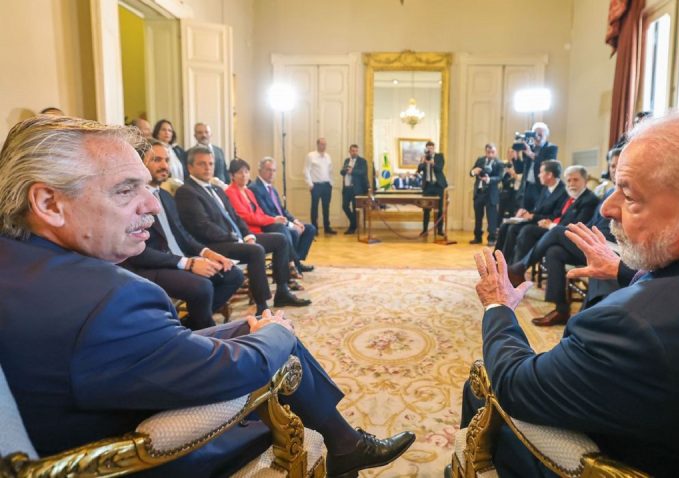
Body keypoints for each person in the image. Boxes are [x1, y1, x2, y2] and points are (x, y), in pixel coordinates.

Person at [0, 115, 415, 478]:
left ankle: (344, 442)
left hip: (107, 391)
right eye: (125, 190)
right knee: (275, 343)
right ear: (49, 202)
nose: (151, 205)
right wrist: (277, 332)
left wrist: (252, 331)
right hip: (148, 455)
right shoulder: (110, 301)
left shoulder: (20, 262)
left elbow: (140, 351)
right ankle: (344, 444)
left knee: (251, 328)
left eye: (146, 187)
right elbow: (233, 373)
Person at [461, 104, 679, 477]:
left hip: (612, 459)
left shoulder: (630, 326)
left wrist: (499, 306)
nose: (607, 208)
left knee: (479, 387)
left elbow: (514, 385)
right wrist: (622, 270)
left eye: (630, 197)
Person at [123, 139, 244, 331]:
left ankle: (187, 326)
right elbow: (139, 252)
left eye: (166, 160)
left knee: (233, 275)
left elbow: (183, 235)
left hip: (178, 259)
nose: (164, 165)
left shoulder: (166, 196)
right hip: (150, 266)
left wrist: (208, 253)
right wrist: (188, 263)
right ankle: (207, 335)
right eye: (156, 160)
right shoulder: (131, 199)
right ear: (139, 163)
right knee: (202, 287)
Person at [175, 146, 310, 309]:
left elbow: (235, 217)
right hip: (213, 245)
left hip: (233, 238)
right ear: (190, 167)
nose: (208, 168)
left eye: (210, 164)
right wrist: (234, 237)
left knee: (280, 240)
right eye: (201, 164)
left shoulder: (217, 189)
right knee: (256, 251)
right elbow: (202, 227)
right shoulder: (186, 191)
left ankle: (282, 292)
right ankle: (262, 307)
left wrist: (248, 236)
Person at [510, 150, 621, 327]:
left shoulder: (624, 194)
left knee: (556, 232)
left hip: (609, 248)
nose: (614, 169)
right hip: (593, 242)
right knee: (554, 251)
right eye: (612, 165)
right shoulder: (609, 193)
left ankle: (520, 267)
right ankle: (561, 309)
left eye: (618, 164)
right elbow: (593, 223)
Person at [225, 158, 309, 287]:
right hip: (247, 234)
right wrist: (272, 220)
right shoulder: (230, 192)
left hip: (259, 228)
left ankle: (288, 273)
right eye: (240, 172)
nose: (244, 175)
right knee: (281, 237)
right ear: (232, 175)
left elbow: (259, 212)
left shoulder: (248, 192)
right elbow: (245, 217)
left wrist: (274, 220)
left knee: (283, 232)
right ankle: (289, 272)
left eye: (246, 172)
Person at [510, 165, 599, 264]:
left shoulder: (590, 200)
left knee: (528, 230)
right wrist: (548, 222)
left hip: (568, 235)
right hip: (557, 228)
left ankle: (519, 266)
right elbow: (559, 215)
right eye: (568, 180)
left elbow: (577, 225)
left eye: (575, 180)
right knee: (520, 228)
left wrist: (551, 225)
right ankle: (512, 264)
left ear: (585, 181)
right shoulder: (571, 197)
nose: (571, 184)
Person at [250, 157, 316, 273]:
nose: (272, 173)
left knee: (309, 228)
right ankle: (293, 264)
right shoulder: (255, 188)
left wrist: (294, 220)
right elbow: (266, 212)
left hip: (281, 222)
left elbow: (282, 210)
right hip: (270, 224)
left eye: (274, 170)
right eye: (268, 170)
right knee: (293, 232)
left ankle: (296, 261)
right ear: (260, 170)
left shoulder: (272, 188)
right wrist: (290, 225)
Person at [494, 160, 567, 261]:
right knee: (505, 226)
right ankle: (496, 259)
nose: (538, 175)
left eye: (541, 172)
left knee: (513, 229)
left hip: (547, 224)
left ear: (549, 175)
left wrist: (533, 216)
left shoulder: (563, 192)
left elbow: (556, 216)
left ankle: (509, 263)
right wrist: (526, 212)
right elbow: (538, 209)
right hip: (536, 220)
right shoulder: (546, 188)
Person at [516, 122, 558, 212]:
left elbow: (548, 165)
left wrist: (531, 154)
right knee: (524, 213)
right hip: (527, 186)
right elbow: (519, 169)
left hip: (541, 187)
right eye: (535, 134)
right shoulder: (530, 147)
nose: (537, 137)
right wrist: (515, 157)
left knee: (538, 213)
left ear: (546, 135)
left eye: (540, 135)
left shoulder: (551, 148)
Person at [469, 143, 504, 246]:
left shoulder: (499, 163)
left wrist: (488, 179)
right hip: (479, 192)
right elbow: (471, 172)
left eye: (492, 152)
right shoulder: (480, 160)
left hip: (491, 194)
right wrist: (473, 172)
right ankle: (477, 237)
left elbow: (500, 177)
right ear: (485, 151)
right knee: (478, 216)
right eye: (488, 152)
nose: (490, 154)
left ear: (495, 152)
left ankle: (492, 239)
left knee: (492, 218)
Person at [304, 137, 336, 234]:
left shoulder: (328, 156)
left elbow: (330, 171)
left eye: (325, 144)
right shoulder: (311, 156)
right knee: (314, 207)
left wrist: (331, 183)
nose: (323, 146)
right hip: (316, 185)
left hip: (327, 185)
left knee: (326, 207)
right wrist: (310, 184)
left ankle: (327, 227)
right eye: (322, 144)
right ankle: (314, 229)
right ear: (317, 144)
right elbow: (306, 170)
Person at [417, 140, 448, 236]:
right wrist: (422, 162)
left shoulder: (439, 156)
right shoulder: (424, 157)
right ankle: (425, 230)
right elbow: (419, 170)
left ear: (434, 148)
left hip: (438, 186)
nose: (430, 150)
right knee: (426, 209)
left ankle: (440, 230)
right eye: (428, 148)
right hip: (427, 186)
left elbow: (439, 168)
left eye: (431, 148)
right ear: (426, 149)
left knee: (440, 209)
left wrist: (432, 163)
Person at [340, 144, 369, 234]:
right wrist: (345, 170)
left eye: (356, 151)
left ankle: (352, 228)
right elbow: (342, 172)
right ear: (349, 151)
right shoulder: (347, 160)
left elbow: (363, 172)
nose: (354, 152)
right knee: (345, 206)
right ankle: (354, 223)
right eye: (353, 151)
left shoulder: (362, 161)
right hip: (347, 188)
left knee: (354, 208)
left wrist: (352, 171)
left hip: (356, 189)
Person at [499, 148, 522, 219]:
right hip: (504, 191)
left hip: (516, 191)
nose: (510, 154)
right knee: (501, 212)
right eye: (508, 152)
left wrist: (513, 174)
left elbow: (522, 178)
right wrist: (504, 171)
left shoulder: (520, 164)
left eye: (512, 152)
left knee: (513, 212)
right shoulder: (503, 163)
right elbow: (499, 177)